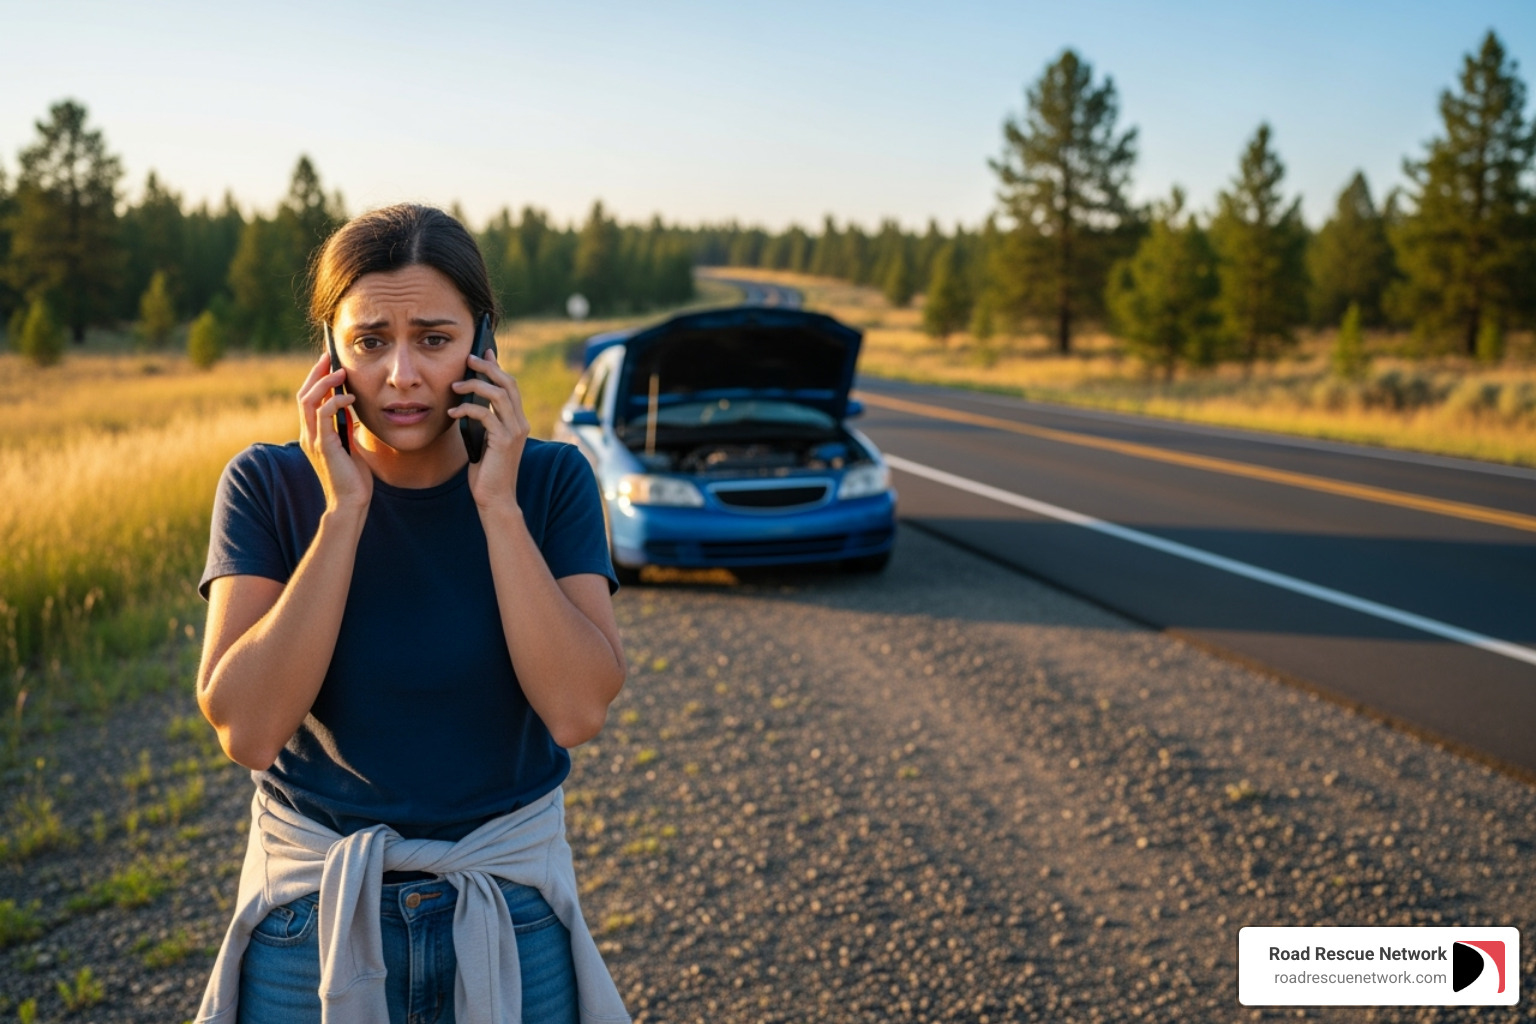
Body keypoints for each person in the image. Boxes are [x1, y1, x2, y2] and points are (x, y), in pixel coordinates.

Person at [192, 204, 631, 1024]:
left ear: (483, 343)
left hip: (506, 908)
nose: (401, 373)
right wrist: (342, 513)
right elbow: (246, 729)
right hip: (310, 921)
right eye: (369, 342)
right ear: (330, 354)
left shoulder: (550, 483)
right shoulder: (267, 486)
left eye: (434, 338)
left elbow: (576, 711)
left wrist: (496, 504)